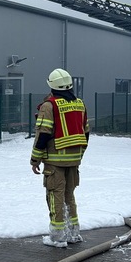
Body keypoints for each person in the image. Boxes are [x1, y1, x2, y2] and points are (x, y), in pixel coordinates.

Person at [30, 68, 90, 248]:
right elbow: (86, 133)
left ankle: (57, 236)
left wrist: (35, 160)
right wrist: (79, 154)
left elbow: (43, 134)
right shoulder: (80, 104)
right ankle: (73, 233)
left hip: (55, 161)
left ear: (52, 86)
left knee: (55, 196)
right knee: (69, 196)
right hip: (74, 160)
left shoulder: (49, 106)